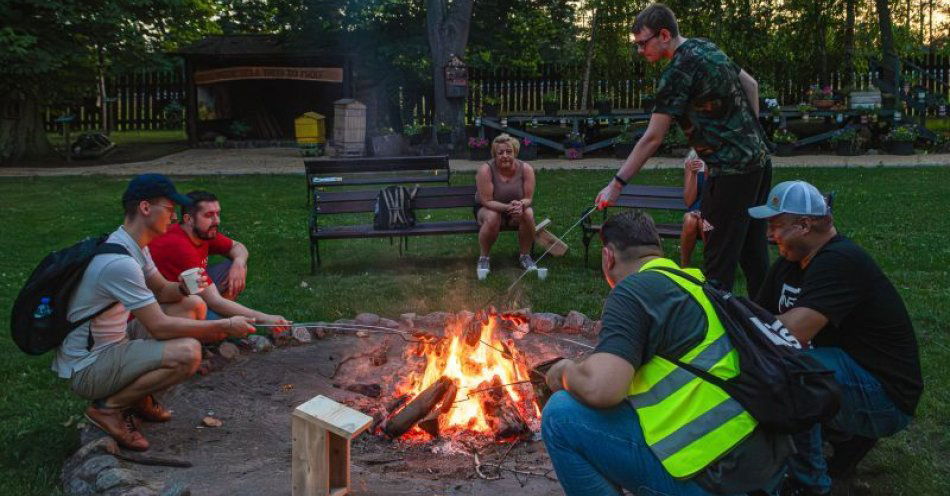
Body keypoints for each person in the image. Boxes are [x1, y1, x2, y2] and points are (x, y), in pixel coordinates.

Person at [541, 210, 791, 496]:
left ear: (608, 256)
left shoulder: (631, 291)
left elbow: (603, 390)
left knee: (561, 415)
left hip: (711, 479)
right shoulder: (695, 283)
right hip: (759, 470)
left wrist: (562, 372)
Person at [52, 174, 257, 451]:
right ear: (146, 208)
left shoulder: (136, 247)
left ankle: (138, 397)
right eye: (170, 210)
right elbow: (159, 327)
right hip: (89, 367)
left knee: (192, 305)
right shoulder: (120, 262)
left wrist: (183, 287)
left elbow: (162, 291)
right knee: (188, 353)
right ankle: (109, 408)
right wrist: (225, 326)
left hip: (115, 342)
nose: (174, 219)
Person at [749, 180, 922, 495]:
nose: (769, 235)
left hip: (885, 394)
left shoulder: (840, 261)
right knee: (770, 368)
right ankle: (842, 439)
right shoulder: (788, 265)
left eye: (776, 226)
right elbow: (755, 316)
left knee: (794, 376)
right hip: (844, 375)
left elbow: (790, 331)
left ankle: (809, 484)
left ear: (804, 225)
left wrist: (744, 327)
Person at [594, 3, 771, 296]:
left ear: (664, 35)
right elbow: (750, 85)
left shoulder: (676, 73)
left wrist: (617, 184)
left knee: (718, 264)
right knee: (754, 254)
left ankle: (716, 330)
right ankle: (767, 326)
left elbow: (653, 138)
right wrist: (750, 135)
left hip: (730, 174)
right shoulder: (707, 47)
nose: (640, 51)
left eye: (642, 43)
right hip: (759, 164)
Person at [149, 190, 289, 327]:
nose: (217, 220)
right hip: (165, 306)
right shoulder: (181, 247)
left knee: (234, 266)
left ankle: (223, 316)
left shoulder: (203, 232)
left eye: (217, 214)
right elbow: (214, 300)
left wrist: (239, 263)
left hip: (193, 290)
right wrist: (265, 318)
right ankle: (221, 320)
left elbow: (238, 247)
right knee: (224, 326)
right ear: (188, 219)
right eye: (209, 215)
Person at [475, 133, 537, 276]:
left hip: (515, 209)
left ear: (515, 152)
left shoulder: (526, 169)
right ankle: (483, 258)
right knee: (493, 216)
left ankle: (525, 256)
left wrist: (520, 204)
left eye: (509, 152)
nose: (505, 156)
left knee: (528, 213)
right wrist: (508, 207)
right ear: (494, 155)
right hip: (487, 208)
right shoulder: (485, 170)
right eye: (500, 152)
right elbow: (486, 201)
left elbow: (528, 198)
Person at [679, 149, 710, 267]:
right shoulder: (692, 160)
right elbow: (689, 202)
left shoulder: (723, 161)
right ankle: (684, 267)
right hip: (696, 208)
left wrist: (709, 175)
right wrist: (693, 174)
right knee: (690, 221)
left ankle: (712, 265)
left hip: (715, 208)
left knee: (705, 223)